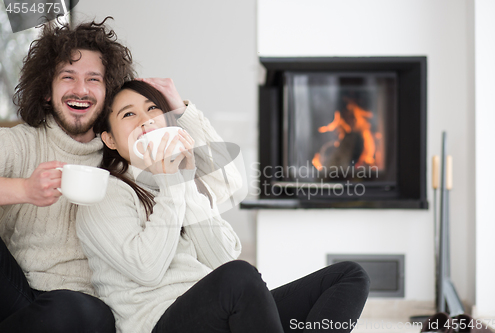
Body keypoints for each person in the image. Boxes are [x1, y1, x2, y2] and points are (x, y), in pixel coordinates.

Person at [76, 79, 371, 333]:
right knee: (240, 277)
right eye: (129, 114)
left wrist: (184, 183)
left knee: (349, 276)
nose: (146, 119)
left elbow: (220, 260)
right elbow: (147, 269)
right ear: (110, 139)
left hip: (219, 316)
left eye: (153, 108)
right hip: (160, 323)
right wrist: (171, 185)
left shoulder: (177, 181)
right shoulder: (106, 194)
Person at [0, 18, 134, 332]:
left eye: (93, 79)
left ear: (109, 93)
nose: (80, 90)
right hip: (15, 291)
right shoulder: (21, 143)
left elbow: (211, 188)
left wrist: (178, 110)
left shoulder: (123, 157)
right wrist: (23, 190)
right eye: (67, 77)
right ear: (47, 90)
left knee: (77, 309)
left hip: (82, 306)